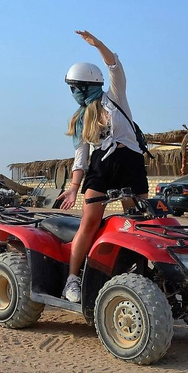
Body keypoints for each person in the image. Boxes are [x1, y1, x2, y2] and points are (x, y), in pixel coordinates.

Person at [56, 30, 149, 303]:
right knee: (90, 220)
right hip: (102, 167)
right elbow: (81, 157)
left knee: (140, 220)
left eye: (75, 88)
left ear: (85, 85)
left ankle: (141, 274)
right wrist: (74, 187)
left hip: (130, 162)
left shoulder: (114, 97)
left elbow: (114, 67)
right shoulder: (81, 118)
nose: (73, 93)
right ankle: (72, 279)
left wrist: (98, 45)